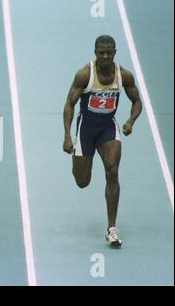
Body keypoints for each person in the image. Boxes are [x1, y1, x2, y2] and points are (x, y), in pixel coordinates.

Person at [63, 35, 142, 247]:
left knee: (112, 170)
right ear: (95, 52)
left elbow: (136, 102)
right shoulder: (84, 75)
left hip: (108, 128)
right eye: (101, 52)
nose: (105, 56)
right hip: (86, 130)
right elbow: (69, 105)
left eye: (109, 52)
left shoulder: (123, 75)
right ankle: (80, 162)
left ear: (115, 52)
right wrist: (67, 135)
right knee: (82, 181)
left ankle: (111, 229)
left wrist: (130, 121)